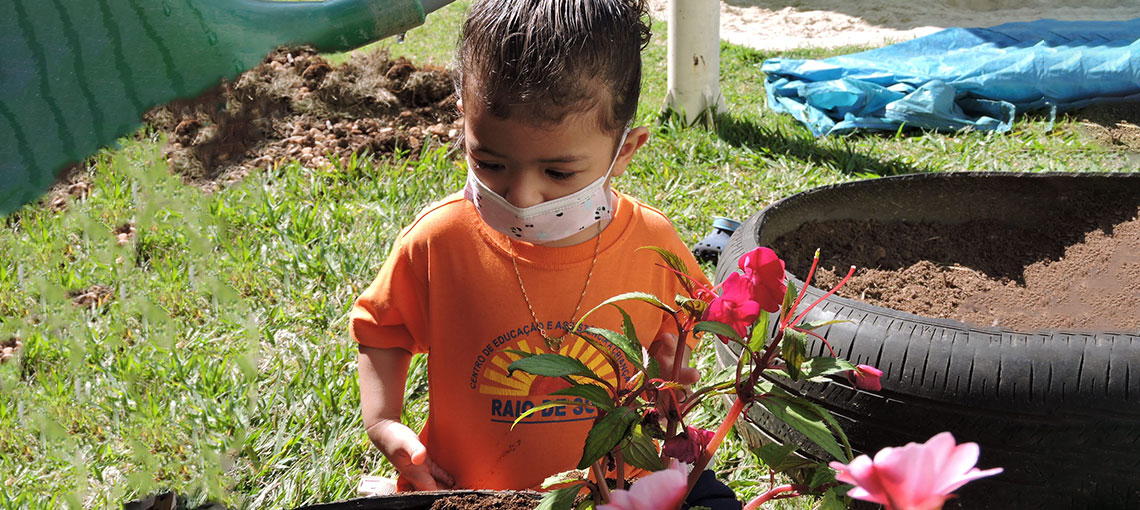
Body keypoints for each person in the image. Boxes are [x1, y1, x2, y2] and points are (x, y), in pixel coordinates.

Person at [350, 1, 738, 508]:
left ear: (624, 150)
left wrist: (671, 366)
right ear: (464, 120)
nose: (522, 195)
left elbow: (685, 321)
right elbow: (383, 328)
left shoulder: (651, 241)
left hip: (617, 487)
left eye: (558, 173)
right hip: (470, 491)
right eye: (489, 162)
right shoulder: (439, 241)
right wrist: (383, 421)